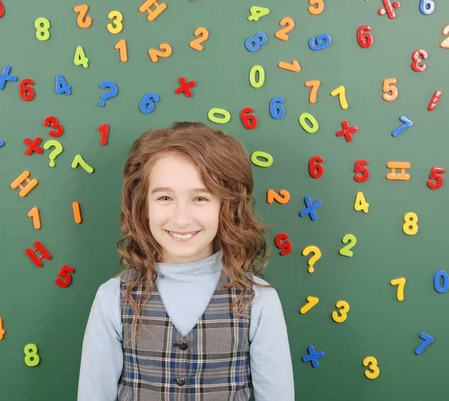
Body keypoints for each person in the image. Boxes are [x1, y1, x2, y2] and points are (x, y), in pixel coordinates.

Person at [77, 121, 295, 401]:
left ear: (225, 207)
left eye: (200, 198)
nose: (181, 219)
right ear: (143, 206)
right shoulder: (112, 298)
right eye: (165, 197)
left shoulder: (259, 300)